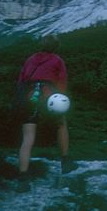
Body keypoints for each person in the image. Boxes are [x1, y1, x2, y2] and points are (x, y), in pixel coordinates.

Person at [15, 34, 75, 186]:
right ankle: (65, 161)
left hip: (29, 97)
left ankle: (23, 176)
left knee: (28, 137)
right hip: (48, 96)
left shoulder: (30, 59)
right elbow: (62, 83)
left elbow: (21, 80)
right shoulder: (57, 60)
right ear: (56, 47)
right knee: (61, 124)